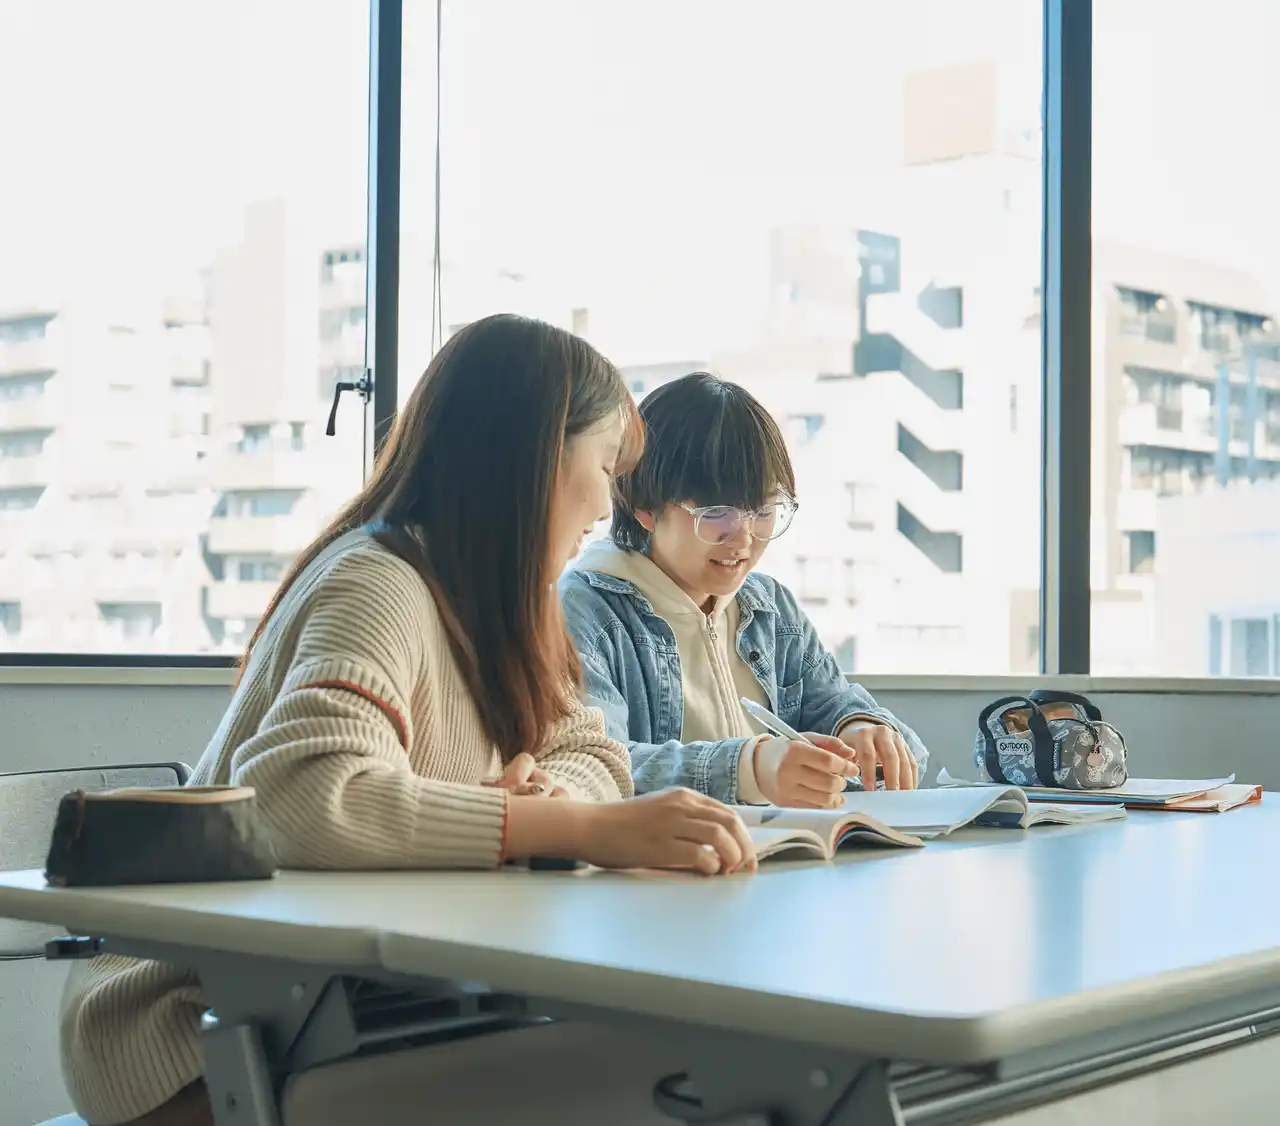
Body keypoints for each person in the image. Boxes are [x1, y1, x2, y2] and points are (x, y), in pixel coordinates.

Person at [60, 317, 755, 1126]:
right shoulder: (380, 583)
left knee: (650, 1061)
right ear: (533, 461)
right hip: (192, 1030)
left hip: (349, 1003)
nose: (607, 504)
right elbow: (299, 793)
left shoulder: (509, 602)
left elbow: (591, 751)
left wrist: (548, 802)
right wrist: (561, 827)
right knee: (667, 1073)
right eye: (603, 465)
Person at [560, 372, 928, 810]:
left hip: (786, 860)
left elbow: (837, 704)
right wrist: (748, 769)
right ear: (644, 508)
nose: (744, 540)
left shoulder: (767, 607)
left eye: (764, 511)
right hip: (666, 870)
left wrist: (860, 727)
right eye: (717, 515)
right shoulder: (588, 609)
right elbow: (601, 769)